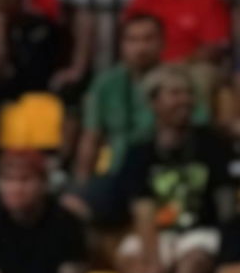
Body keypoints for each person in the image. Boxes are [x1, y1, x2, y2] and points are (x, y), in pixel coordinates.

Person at [115, 66, 233, 273]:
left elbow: (226, 209)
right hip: (157, 232)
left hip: (200, 233)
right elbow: (143, 209)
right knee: (135, 269)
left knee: (190, 269)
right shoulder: (139, 153)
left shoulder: (214, 145)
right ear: (154, 102)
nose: (185, 101)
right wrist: (153, 262)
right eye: (175, 94)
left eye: (189, 93)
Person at [0, 0, 91, 171]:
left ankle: (65, 163)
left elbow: (83, 19)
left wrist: (77, 67)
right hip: (22, 76)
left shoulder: (41, 2)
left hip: (57, 72)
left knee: (75, 95)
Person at [65, 13, 172, 235]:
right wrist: (82, 184)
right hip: (120, 175)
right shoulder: (106, 83)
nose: (140, 47)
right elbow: (90, 138)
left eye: (148, 39)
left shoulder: (177, 80)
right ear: (121, 45)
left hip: (166, 175)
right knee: (69, 209)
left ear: (162, 42)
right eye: (132, 40)